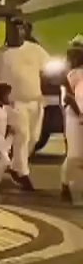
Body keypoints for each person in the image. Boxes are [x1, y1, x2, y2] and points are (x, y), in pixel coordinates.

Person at [0, 17, 51, 190]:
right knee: (22, 136)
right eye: (14, 29)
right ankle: (22, 173)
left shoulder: (35, 50)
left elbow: (46, 70)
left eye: (21, 29)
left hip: (35, 101)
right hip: (14, 104)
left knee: (33, 138)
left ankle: (15, 167)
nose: (18, 32)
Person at [62, 37, 83, 204]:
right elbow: (68, 98)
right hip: (75, 118)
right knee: (75, 154)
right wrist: (80, 114)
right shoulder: (72, 76)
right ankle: (66, 185)